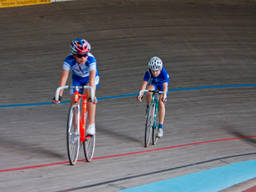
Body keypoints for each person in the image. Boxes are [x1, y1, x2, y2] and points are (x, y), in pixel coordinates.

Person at [52, 38, 99, 135]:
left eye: (85, 55)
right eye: (80, 56)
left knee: (89, 93)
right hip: (77, 79)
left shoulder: (91, 60)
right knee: (74, 99)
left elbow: (92, 80)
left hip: (90, 79)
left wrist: (92, 95)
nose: (83, 58)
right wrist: (58, 96)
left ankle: (91, 125)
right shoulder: (68, 60)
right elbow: (64, 78)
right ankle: (76, 130)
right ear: (73, 55)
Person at [137, 56, 169, 137]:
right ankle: (148, 108)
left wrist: (164, 95)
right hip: (154, 84)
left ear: (160, 69)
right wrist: (141, 93)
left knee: (161, 103)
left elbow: (165, 87)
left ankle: (160, 128)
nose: (154, 73)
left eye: (156, 71)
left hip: (162, 86)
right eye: (153, 71)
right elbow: (144, 84)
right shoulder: (148, 72)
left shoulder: (164, 73)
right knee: (148, 91)